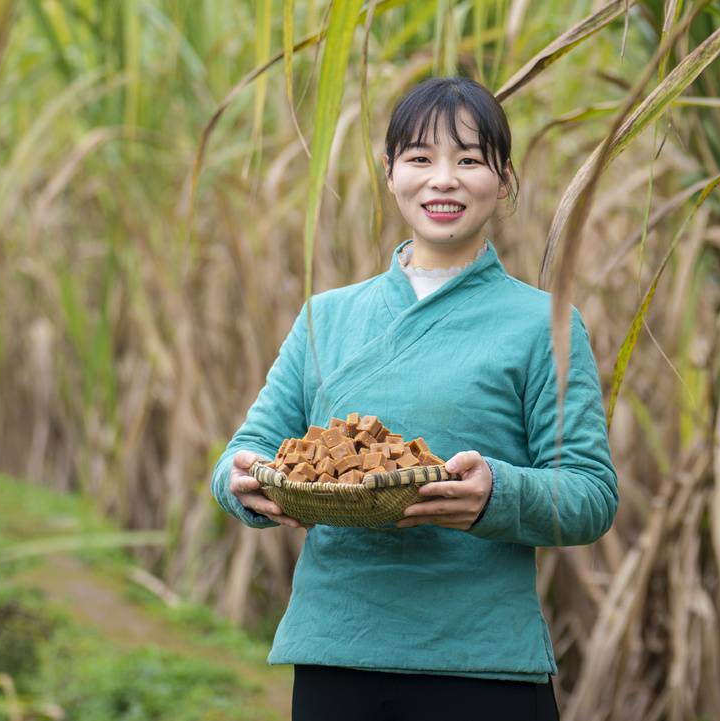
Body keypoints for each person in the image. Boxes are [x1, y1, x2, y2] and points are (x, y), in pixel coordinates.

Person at [211, 76, 618, 721]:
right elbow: (247, 450)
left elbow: (591, 495)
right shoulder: (328, 316)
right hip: (337, 655)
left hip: (483, 665)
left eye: (469, 160)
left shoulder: (545, 324)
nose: (444, 179)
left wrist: (495, 495)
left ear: (504, 179)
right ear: (390, 171)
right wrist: (243, 486)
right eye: (421, 158)